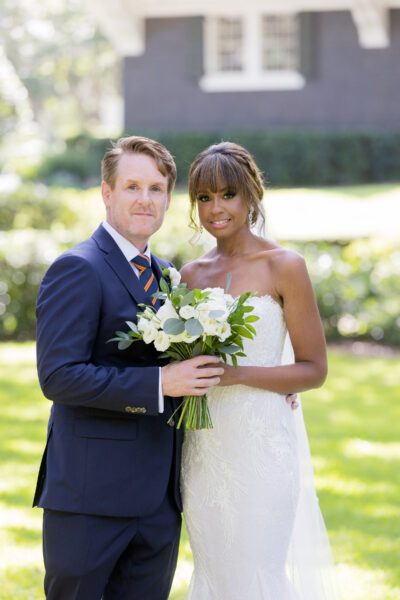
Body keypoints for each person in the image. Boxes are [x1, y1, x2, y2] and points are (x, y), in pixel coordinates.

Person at [32, 135, 224, 600]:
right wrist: (161, 382)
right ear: (107, 193)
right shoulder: (77, 268)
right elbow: (58, 376)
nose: (145, 199)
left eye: (156, 189)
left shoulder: (167, 275)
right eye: (132, 186)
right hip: (89, 497)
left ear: (167, 199)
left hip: (159, 500)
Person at [180, 142, 342, 599]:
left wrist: (238, 375)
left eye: (227, 194)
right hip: (204, 448)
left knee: (257, 571)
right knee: (214, 572)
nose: (215, 209)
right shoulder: (189, 275)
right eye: (204, 198)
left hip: (262, 448)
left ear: (251, 196)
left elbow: (314, 369)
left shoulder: (284, 266)